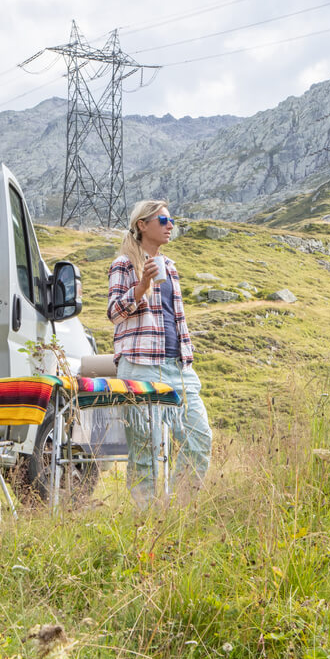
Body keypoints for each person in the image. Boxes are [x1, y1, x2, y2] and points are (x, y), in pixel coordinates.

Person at [107, 199, 212, 505]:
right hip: (140, 365)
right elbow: (114, 312)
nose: (170, 226)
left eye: (171, 221)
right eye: (164, 220)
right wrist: (141, 287)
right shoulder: (123, 263)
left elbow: (176, 316)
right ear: (143, 225)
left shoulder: (170, 266)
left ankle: (180, 510)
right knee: (145, 448)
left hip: (178, 366)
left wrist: (186, 353)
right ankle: (147, 517)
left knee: (199, 437)